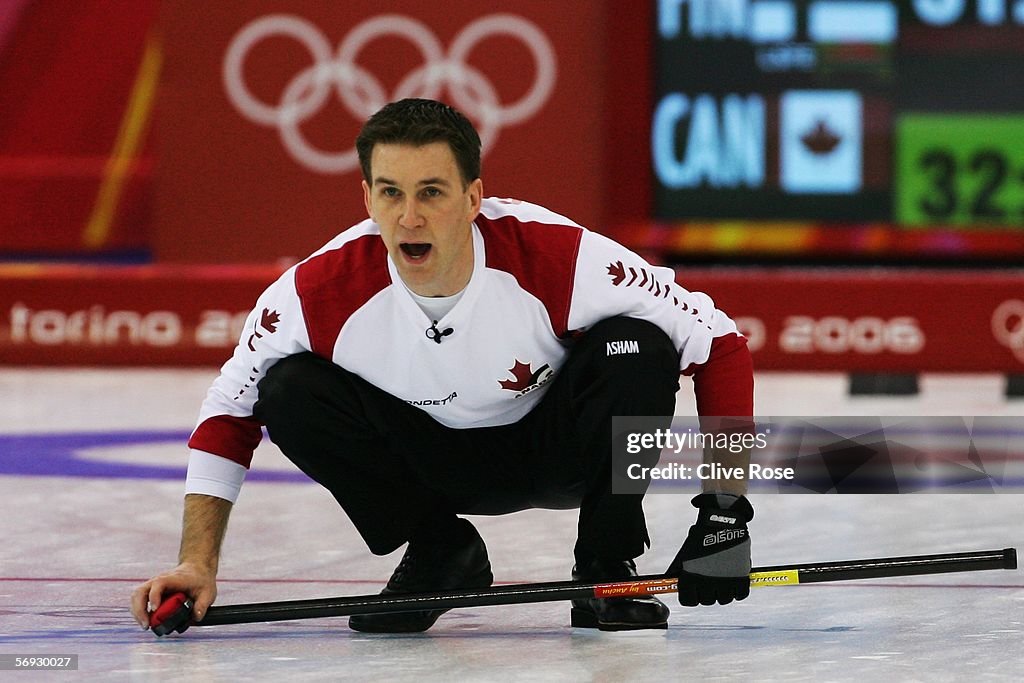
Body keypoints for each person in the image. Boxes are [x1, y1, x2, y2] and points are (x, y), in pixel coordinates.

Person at [131, 98, 755, 634]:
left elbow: (718, 342)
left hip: (560, 452)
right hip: (428, 469)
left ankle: (605, 566)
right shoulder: (313, 292)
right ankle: (439, 552)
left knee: (638, 344)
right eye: (391, 193)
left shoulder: (559, 257)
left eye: (431, 192)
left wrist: (725, 513)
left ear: (473, 197)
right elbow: (227, 414)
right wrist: (196, 562)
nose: (410, 217)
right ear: (368, 199)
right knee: (286, 387)